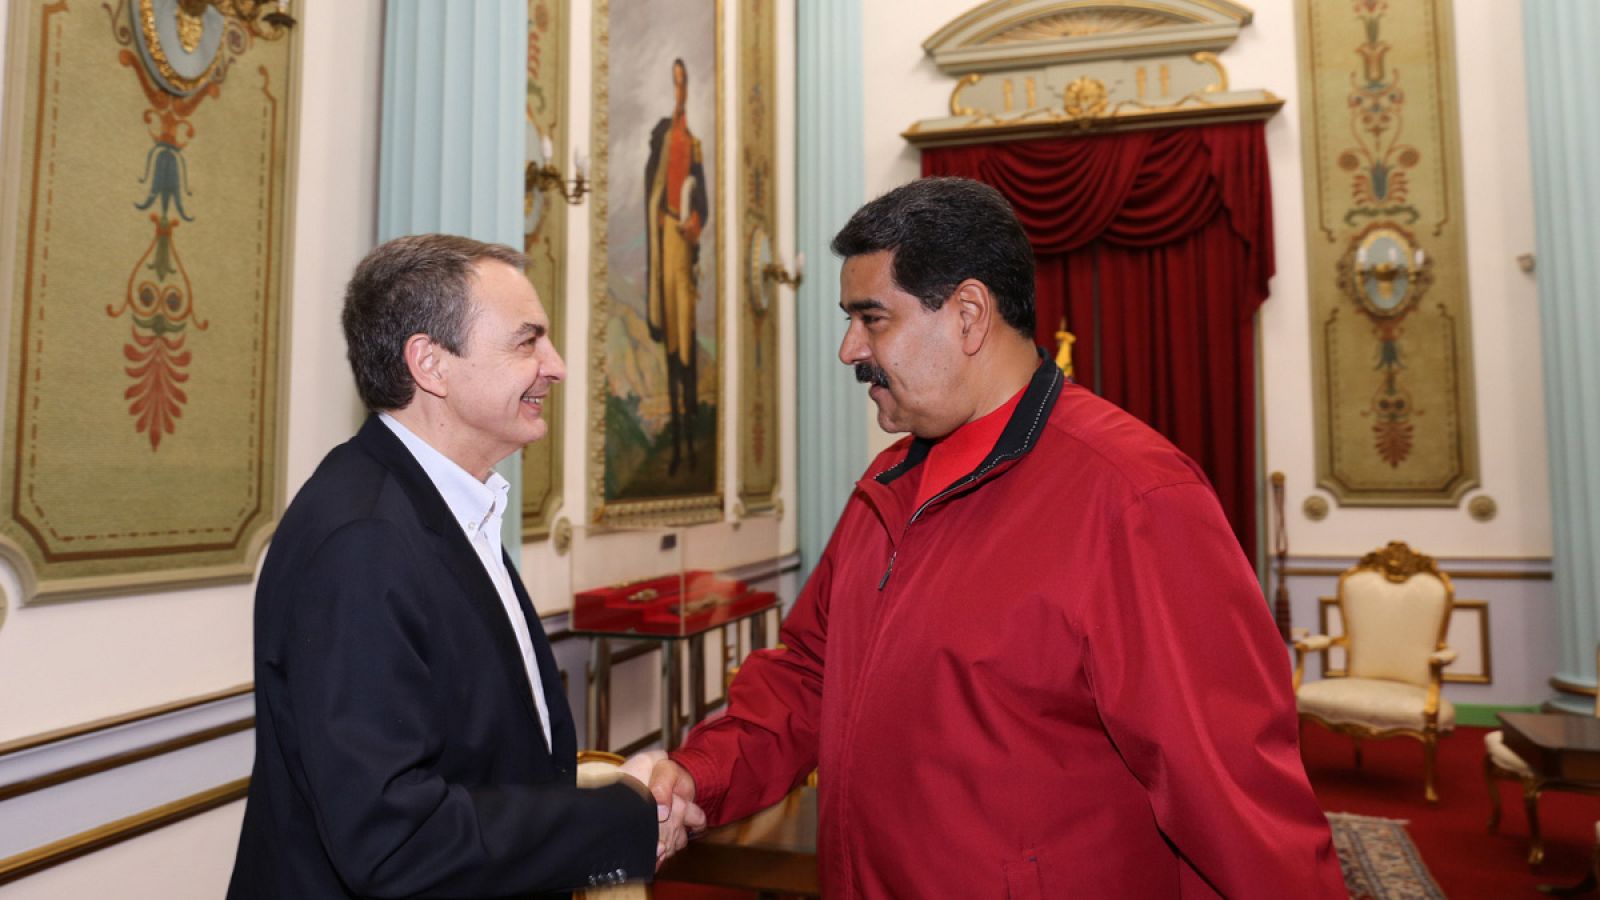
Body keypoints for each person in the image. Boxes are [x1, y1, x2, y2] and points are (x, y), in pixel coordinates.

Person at [642, 178, 1346, 897]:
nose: (850, 347)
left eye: (872, 318)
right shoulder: (886, 485)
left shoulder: (1136, 498)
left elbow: (1233, 793)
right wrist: (704, 770)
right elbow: (809, 676)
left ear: (969, 315)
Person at [228, 235, 689, 898]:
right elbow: (394, 839)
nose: (555, 366)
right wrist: (621, 816)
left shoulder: (438, 505)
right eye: (526, 341)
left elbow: (481, 756)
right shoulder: (364, 537)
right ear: (431, 364)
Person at [643, 57, 709, 476]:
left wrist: (694, 224)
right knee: (670, 343)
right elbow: (652, 190)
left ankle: (688, 438)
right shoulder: (663, 137)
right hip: (663, 239)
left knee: (686, 342)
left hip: (683, 247)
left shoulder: (694, 144)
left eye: (685, 83)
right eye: (675, 83)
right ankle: (678, 445)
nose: (679, 90)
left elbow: (702, 201)